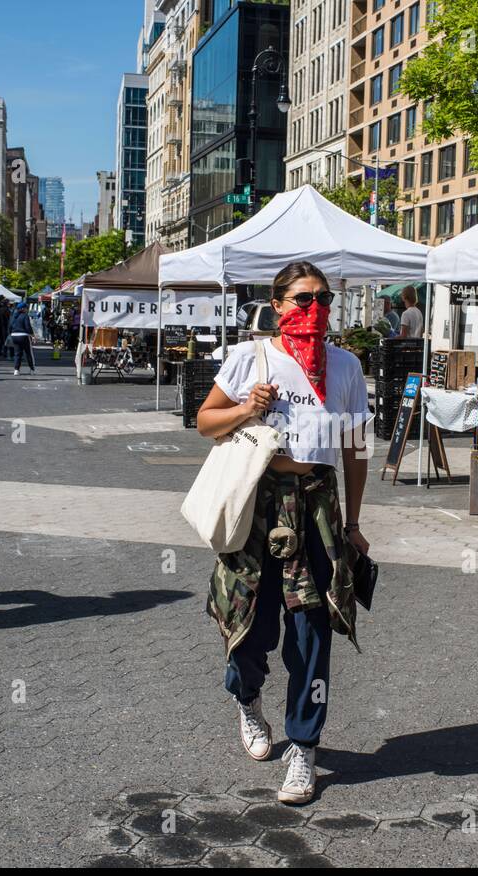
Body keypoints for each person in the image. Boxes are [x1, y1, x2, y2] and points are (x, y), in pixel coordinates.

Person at [197, 260, 371, 806]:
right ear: (278, 305)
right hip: (257, 501)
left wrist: (355, 523)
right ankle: (247, 699)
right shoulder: (251, 357)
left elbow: (356, 448)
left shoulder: (345, 366)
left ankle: (304, 746)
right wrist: (249, 407)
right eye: (303, 299)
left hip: (315, 507)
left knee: (312, 635)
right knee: (249, 626)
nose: (314, 310)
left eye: (323, 300)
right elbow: (206, 422)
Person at [9, 302, 36, 374]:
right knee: (28, 353)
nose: (27, 309)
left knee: (17, 353)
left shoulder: (13, 316)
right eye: (26, 308)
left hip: (14, 335)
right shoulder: (25, 316)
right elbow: (28, 327)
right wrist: (32, 335)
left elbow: (10, 326)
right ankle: (32, 369)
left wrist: (10, 334)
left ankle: (16, 370)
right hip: (23, 335)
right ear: (23, 309)